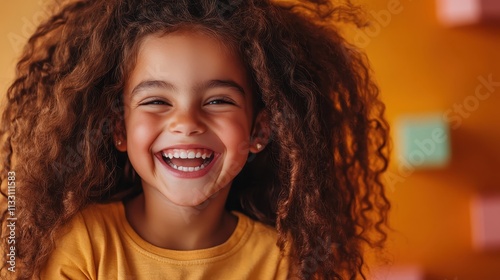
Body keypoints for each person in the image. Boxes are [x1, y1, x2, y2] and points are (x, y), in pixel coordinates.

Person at [0, 0, 391, 279]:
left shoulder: (283, 263)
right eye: (156, 100)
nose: (186, 123)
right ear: (119, 128)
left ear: (259, 131)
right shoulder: (82, 245)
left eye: (218, 100)